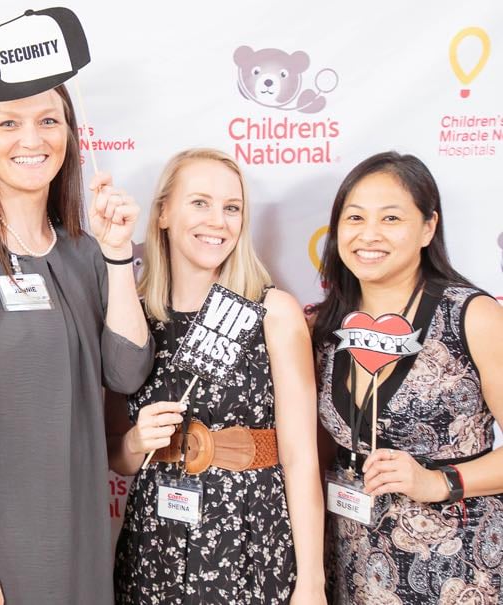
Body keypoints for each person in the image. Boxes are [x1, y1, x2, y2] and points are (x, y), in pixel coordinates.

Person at [0, 63, 154, 604]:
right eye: (9, 123)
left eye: (48, 120)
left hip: (84, 532)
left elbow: (127, 369)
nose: (31, 138)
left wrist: (116, 252)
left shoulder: (84, 251)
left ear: (69, 132)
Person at [107, 149, 326, 604]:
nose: (218, 221)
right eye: (200, 203)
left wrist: (311, 582)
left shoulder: (272, 312)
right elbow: (117, 456)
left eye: (232, 208)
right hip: (156, 541)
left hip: (249, 537)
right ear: (163, 212)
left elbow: (301, 458)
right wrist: (135, 442)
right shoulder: (134, 316)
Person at [310, 151, 503, 603]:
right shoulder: (323, 327)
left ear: (428, 228)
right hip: (353, 565)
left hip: (456, 572)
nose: (369, 234)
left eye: (391, 217)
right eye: (354, 217)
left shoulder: (470, 316)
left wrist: (439, 482)